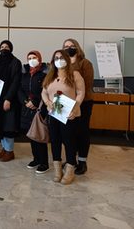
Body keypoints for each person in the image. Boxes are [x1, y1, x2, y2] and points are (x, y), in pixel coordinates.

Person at [42, 49, 85, 185]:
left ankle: (70, 169)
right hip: (54, 114)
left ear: (67, 59)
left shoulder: (75, 74)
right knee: (55, 141)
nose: (58, 60)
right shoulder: (50, 75)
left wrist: (76, 106)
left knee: (69, 141)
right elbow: (44, 92)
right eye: (56, 58)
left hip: (70, 114)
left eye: (61, 57)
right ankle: (57, 170)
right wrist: (48, 103)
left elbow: (80, 92)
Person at [63, 38, 94, 175]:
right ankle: (72, 160)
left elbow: (87, 85)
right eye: (65, 46)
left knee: (82, 132)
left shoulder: (85, 63)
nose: (69, 48)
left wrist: (76, 99)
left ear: (77, 47)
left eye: (71, 46)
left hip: (83, 102)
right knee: (70, 132)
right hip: (66, 102)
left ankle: (82, 162)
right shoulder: (62, 63)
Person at [0, 40, 22, 162]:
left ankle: (10, 151)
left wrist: (8, 99)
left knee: (8, 126)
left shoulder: (15, 62)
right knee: (0, 125)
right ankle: (4, 149)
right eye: (2, 47)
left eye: (7, 47)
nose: (4, 49)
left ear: (11, 49)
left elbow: (15, 82)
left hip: (9, 99)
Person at [18, 50, 49, 174]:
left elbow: (46, 91)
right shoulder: (25, 74)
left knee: (39, 135)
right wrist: (25, 101)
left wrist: (35, 102)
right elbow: (19, 90)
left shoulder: (45, 74)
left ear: (39, 59)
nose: (31, 59)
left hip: (40, 108)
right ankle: (36, 159)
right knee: (31, 135)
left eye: (34, 57)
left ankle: (44, 162)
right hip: (26, 108)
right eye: (29, 57)